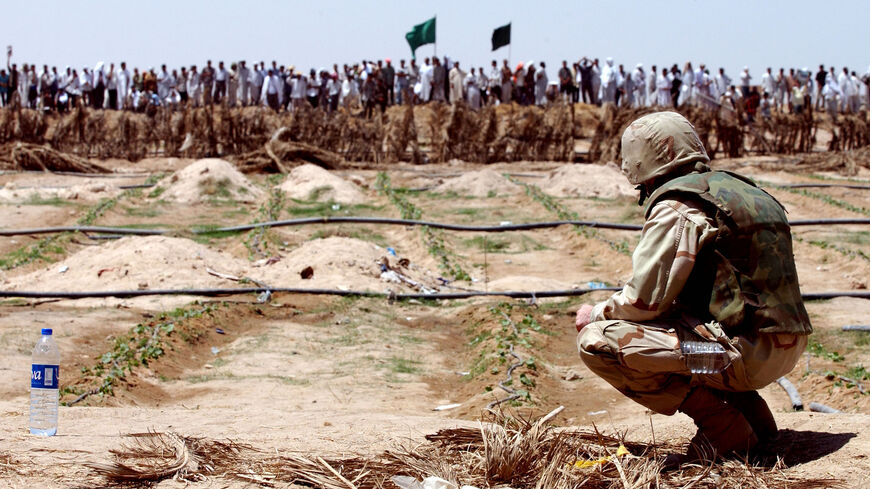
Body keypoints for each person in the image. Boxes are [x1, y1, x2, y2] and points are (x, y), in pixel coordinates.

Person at [575, 111, 812, 467]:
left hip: (738, 356)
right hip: (786, 344)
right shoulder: (743, 191)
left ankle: (722, 426)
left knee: (598, 341)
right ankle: (755, 418)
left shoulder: (677, 205)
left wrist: (594, 312)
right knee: (687, 321)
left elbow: (643, 303)